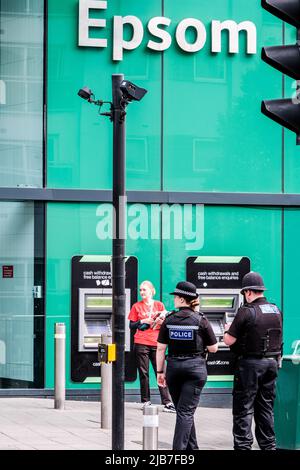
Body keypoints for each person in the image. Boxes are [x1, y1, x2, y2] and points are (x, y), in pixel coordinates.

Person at [223, 271, 283, 451]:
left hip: (250, 365)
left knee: (244, 408)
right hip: (271, 363)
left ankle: (243, 446)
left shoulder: (246, 311)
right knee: (265, 407)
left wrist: (227, 330)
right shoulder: (275, 309)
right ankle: (268, 446)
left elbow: (229, 341)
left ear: (248, 292)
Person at [156, 281, 218, 450]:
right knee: (185, 412)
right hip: (195, 369)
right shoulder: (201, 320)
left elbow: (161, 348)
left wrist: (160, 372)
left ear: (182, 299)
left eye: (176, 297)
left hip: (174, 369)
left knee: (183, 411)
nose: (174, 299)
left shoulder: (168, 320)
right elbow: (213, 348)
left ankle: (189, 449)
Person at [128, 280, 175, 412]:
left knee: (161, 372)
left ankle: (167, 402)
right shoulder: (136, 306)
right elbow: (131, 325)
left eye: (144, 290)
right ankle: (145, 401)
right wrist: (143, 321)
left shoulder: (159, 305)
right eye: (140, 290)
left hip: (157, 344)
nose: (142, 292)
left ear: (151, 291)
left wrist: (160, 319)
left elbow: (165, 322)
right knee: (144, 373)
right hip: (141, 343)